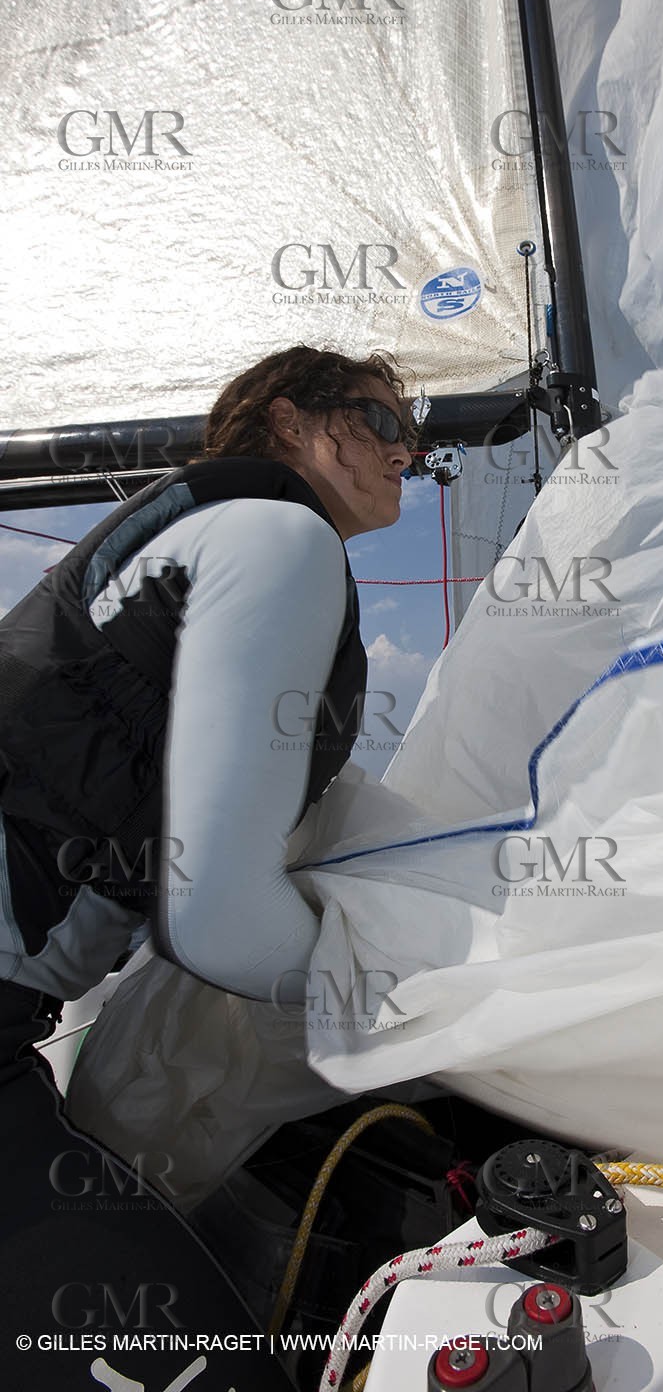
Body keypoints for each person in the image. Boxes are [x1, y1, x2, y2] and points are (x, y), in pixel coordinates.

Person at [0, 344, 417, 1391]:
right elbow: (217, 917)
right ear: (287, 421)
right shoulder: (279, 535)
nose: (407, 448)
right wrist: (417, 998)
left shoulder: (198, 534)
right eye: (376, 417)